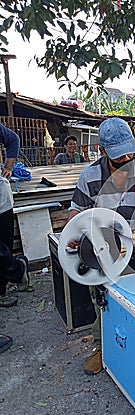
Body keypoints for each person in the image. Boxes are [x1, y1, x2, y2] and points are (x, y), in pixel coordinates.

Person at [68, 118, 135, 375]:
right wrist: (75, 235)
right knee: (106, 291)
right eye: (119, 155)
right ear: (102, 151)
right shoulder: (90, 175)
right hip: (102, 239)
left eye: (130, 152)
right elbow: (76, 212)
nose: (127, 158)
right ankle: (101, 346)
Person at [0, 124, 30, 355]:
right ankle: (17, 271)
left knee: (4, 246)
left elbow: (12, 139)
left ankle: (3, 288)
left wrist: (8, 167)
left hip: (0, 200)